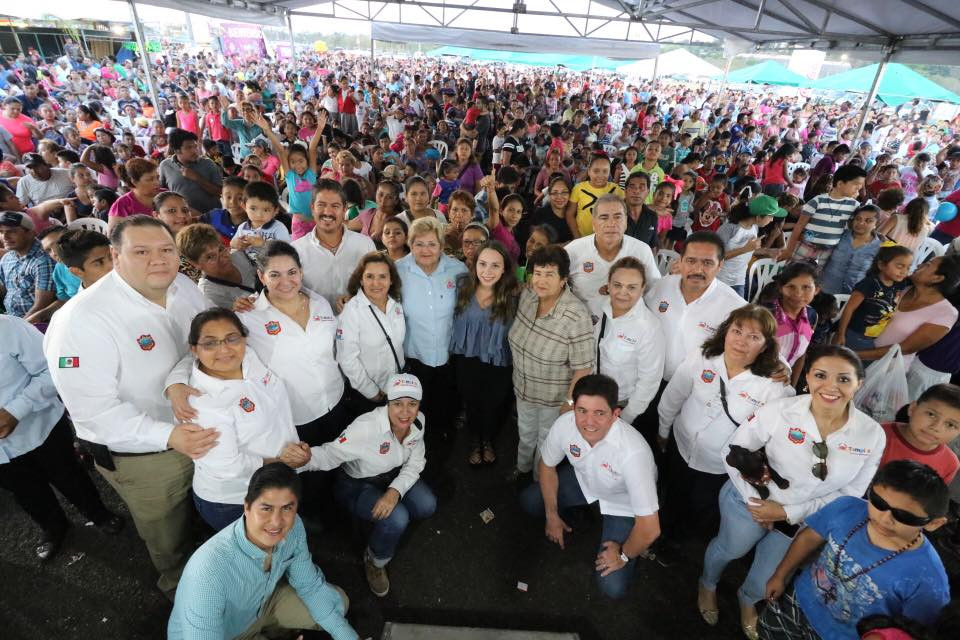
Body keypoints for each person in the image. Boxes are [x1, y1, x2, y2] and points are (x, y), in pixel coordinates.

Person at [44, 215, 218, 599]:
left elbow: (204, 343)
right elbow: (94, 413)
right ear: (115, 255)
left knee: (206, 511)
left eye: (166, 250)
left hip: (203, 431)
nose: (158, 260)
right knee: (166, 531)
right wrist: (169, 434)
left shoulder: (184, 287)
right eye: (141, 251)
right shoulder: (79, 321)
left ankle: (214, 572)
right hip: (147, 456)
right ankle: (182, 591)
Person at [699, 345, 884, 640]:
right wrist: (754, 502)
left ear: (859, 383)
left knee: (767, 576)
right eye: (821, 375)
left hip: (804, 522)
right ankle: (707, 584)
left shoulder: (872, 434)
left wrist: (788, 513)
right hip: (752, 503)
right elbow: (731, 452)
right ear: (807, 377)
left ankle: (748, 600)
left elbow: (851, 494)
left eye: (844, 379)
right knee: (730, 549)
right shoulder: (780, 411)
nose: (831, 387)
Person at [282, 373, 434, 598]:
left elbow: (416, 461)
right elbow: (330, 454)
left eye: (412, 404)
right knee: (397, 518)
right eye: (398, 404)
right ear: (387, 403)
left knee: (427, 505)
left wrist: (394, 491)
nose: (405, 412)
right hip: (356, 484)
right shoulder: (365, 428)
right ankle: (375, 560)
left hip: (392, 477)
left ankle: (385, 528)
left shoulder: (418, 421)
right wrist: (299, 461)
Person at [759, 461, 950, 640]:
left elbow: (911, 631)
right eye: (878, 502)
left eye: (904, 516)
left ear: (934, 523)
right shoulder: (847, 508)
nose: (884, 518)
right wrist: (780, 575)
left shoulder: (928, 582)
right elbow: (808, 538)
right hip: (797, 599)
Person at [167, 463, 358, 640]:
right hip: (225, 634)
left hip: (262, 605)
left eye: (287, 508)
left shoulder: (294, 527)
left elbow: (309, 586)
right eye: (266, 508)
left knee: (338, 603)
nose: (276, 522)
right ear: (247, 507)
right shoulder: (207, 573)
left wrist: (349, 637)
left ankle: (275, 631)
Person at [657, 305, 794, 539]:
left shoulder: (773, 385)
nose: (741, 341)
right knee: (672, 494)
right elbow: (674, 395)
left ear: (766, 345)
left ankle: (685, 542)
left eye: (753, 337)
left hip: (721, 466)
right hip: (681, 445)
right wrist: (663, 430)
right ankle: (664, 534)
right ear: (726, 331)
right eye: (737, 331)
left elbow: (774, 435)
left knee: (703, 507)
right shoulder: (704, 356)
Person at [520, 374, 660, 599]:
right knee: (530, 501)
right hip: (583, 483)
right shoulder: (565, 425)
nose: (589, 422)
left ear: (616, 414)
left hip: (621, 504)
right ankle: (575, 512)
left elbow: (650, 528)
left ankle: (612, 538)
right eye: (582, 411)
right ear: (574, 408)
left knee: (612, 587)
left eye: (599, 413)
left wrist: (623, 554)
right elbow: (546, 467)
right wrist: (551, 515)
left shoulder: (634, 453)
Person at [0, 314, 123, 560]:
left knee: (67, 474)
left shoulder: (8, 328)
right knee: (24, 490)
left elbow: (52, 370)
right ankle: (54, 527)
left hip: (40, 426)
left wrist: (16, 410)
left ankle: (97, 513)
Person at [174, 308, 301, 531]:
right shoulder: (201, 405)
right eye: (210, 343)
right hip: (236, 500)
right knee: (256, 558)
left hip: (277, 480)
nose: (224, 349)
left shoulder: (249, 357)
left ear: (244, 338)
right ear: (194, 349)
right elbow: (228, 467)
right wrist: (283, 461)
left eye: (232, 338)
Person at [640, 231, 746, 446]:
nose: (698, 269)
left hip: (697, 393)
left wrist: (779, 368)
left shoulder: (734, 307)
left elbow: (757, 343)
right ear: (680, 261)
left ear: (720, 265)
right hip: (651, 383)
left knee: (677, 446)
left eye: (707, 263)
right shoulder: (661, 287)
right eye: (691, 261)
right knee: (646, 436)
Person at [508, 245, 595, 476]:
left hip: (553, 399)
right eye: (537, 273)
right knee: (525, 432)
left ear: (563, 279)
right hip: (523, 389)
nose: (541, 280)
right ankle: (522, 467)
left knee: (546, 442)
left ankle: (539, 482)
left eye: (549, 274)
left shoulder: (576, 315)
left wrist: (569, 403)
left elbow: (583, 367)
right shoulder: (527, 297)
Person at [395, 217, 467, 479]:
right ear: (410, 244)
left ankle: (442, 459)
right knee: (417, 410)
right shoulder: (398, 270)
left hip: (448, 354)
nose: (425, 250)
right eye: (419, 244)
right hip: (415, 355)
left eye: (432, 244)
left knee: (445, 409)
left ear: (441, 245)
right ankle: (413, 458)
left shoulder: (457, 269)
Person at [452, 241, 518, 465]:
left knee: (494, 403)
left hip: (498, 360)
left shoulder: (513, 294)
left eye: (495, 266)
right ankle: (474, 441)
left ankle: (488, 441)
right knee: (471, 401)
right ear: (474, 265)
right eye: (483, 264)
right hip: (467, 357)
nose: (487, 272)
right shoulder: (462, 286)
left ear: (504, 269)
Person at [565, 194, 661, 321]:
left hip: (627, 328)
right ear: (594, 223)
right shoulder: (573, 250)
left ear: (626, 221)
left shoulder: (641, 251)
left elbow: (654, 292)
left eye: (618, 217)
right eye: (604, 218)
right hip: (581, 327)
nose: (611, 223)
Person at [595, 256, 665, 427]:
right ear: (609, 285)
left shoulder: (649, 327)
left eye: (631, 287)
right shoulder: (600, 308)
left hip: (622, 405)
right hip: (595, 395)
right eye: (617, 285)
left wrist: (626, 418)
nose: (622, 293)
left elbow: (649, 381)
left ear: (642, 289)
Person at [855, 256, 960, 369]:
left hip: (885, 367)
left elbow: (905, 348)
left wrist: (855, 355)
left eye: (928, 265)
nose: (920, 265)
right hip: (858, 346)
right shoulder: (900, 287)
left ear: (937, 278)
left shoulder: (945, 313)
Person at [337, 252, 406, 415]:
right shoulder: (352, 311)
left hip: (396, 386)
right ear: (361, 280)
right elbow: (347, 359)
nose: (376, 283)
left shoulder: (396, 304)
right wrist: (372, 392)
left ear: (391, 280)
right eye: (369, 276)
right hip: (369, 395)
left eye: (383, 276)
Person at [292, 179, 376, 310]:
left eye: (335, 206)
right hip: (315, 327)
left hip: (358, 324)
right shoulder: (296, 251)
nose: (328, 212)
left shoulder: (365, 245)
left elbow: (376, 286)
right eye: (321, 205)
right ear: (312, 208)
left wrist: (357, 298)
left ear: (344, 209)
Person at [781, 164, 867, 266]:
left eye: (861, 186)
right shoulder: (817, 201)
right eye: (856, 185)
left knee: (812, 278)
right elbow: (799, 226)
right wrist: (789, 250)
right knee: (792, 273)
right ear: (839, 184)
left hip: (827, 253)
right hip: (805, 246)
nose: (859, 188)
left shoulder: (854, 206)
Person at [834, 244, 914, 351]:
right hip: (854, 334)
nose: (904, 271)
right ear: (881, 265)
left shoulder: (900, 283)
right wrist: (841, 334)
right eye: (899, 266)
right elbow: (849, 309)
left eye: (908, 267)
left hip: (873, 337)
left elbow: (917, 279)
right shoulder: (869, 284)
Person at [878, 383, 960, 485]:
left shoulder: (950, 464)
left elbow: (929, 499)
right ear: (912, 409)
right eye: (931, 414)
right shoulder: (877, 435)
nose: (935, 427)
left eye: (950, 425)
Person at [716, 195, 784, 297]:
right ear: (758, 217)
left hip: (739, 280)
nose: (772, 220)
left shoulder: (754, 227)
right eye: (770, 216)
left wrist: (766, 251)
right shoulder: (729, 228)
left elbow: (749, 249)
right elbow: (716, 256)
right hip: (719, 280)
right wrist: (745, 249)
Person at [177, 223, 257, 309]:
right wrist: (234, 310)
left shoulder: (240, 254)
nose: (222, 258)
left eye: (221, 249)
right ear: (195, 264)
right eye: (210, 257)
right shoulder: (209, 295)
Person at [0, 211, 56, 321]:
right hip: (10, 317)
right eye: (1, 232)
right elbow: (4, 290)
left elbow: (41, 306)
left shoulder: (43, 260)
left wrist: (18, 327)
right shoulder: (8, 258)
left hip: (33, 323)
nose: (4, 237)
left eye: (12, 231)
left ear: (30, 233)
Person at [819, 204, 883, 295]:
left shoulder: (879, 247)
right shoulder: (840, 235)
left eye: (868, 221)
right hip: (824, 289)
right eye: (858, 219)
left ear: (876, 224)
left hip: (852, 295)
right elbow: (818, 244)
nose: (861, 223)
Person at [158, 128, 223, 213]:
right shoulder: (165, 166)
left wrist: (197, 178)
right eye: (188, 148)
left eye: (195, 146)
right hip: (182, 219)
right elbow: (162, 194)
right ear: (177, 150)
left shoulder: (208, 164)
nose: (194, 151)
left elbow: (220, 192)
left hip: (212, 216)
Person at [565, 153, 624, 238]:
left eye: (605, 171)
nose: (600, 175)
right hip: (583, 238)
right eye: (596, 171)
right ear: (589, 171)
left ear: (609, 172)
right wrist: (577, 236)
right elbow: (569, 213)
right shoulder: (579, 188)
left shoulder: (616, 190)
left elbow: (624, 214)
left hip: (607, 238)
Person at [107, 158, 161, 232]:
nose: (157, 182)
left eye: (157, 177)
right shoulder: (122, 205)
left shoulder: (166, 196)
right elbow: (113, 236)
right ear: (134, 182)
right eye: (150, 179)